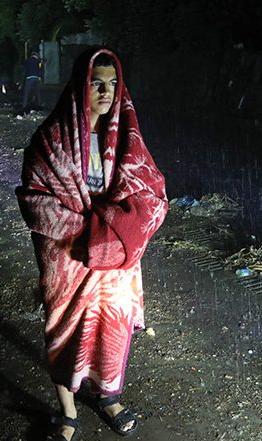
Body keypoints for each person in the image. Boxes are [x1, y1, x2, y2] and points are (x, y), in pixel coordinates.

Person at [16, 47, 168, 441]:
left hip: (115, 258)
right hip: (69, 255)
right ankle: (67, 411)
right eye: (96, 84)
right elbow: (35, 198)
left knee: (112, 326)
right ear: (79, 87)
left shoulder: (126, 142)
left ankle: (108, 394)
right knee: (66, 330)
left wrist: (117, 229)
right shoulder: (52, 140)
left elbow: (152, 190)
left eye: (113, 84)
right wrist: (90, 230)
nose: (106, 92)